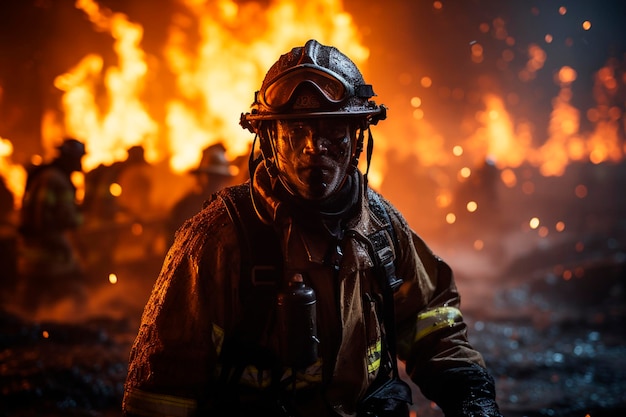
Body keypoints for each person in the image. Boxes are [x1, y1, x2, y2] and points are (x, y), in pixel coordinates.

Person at [123, 39, 502, 417]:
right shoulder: (219, 238)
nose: (313, 147)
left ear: (357, 138)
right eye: (295, 132)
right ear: (269, 141)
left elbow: (430, 323)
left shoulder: (381, 227)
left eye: (332, 131)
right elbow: (161, 390)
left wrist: (470, 395)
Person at [17, 138, 86, 310]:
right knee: (70, 296)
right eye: (79, 158)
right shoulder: (55, 180)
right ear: (69, 157)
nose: (80, 163)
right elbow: (47, 217)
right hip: (49, 253)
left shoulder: (49, 177)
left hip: (40, 251)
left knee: (34, 301)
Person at [167, 142, 236, 244]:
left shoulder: (231, 205)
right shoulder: (184, 206)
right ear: (200, 177)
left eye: (219, 177)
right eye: (211, 176)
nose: (215, 182)